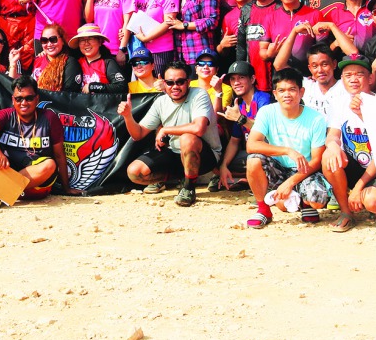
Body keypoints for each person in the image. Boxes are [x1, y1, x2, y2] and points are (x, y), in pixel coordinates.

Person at [0, 77, 79, 213]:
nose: (24, 102)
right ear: (13, 100)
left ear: (37, 99)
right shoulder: (6, 114)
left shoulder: (49, 118)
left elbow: (59, 155)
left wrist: (66, 187)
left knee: (50, 165)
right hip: (7, 171)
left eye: (29, 98)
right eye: (19, 99)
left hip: (33, 184)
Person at [120, 62, 222, 205]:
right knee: (134, 172)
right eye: (170, 82)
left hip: (205, 157)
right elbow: (138, 134)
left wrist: (165, 130)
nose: (175, 86)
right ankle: (178, 178)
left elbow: (199, 128)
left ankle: (188, 188)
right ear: (164, 83)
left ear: (188, 82)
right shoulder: (160, 101)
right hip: (174, 153)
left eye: (180, 82)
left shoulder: (199, 94)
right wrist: (127, 116)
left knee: (187, 138)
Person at [245, 68, 330, 228]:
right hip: (276, 169)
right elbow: (252, 145)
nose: (287, 94)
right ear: (275, 94)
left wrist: (290, 182)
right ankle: (263, 210)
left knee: (317, 202)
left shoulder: (316, 119)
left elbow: (317, 160)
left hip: (304, 171)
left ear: (301, 92)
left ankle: (303, 203)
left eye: (292, 89)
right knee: (253, 160)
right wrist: (287, 150)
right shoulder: (267, 112)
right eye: (282, 90)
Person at [321, 57, 376, 232]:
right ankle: (346, 212)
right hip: (353, 165)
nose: (353, 79)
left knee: (372, 202)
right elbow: (333, 135)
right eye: (348, 75)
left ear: (370, 78)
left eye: (359, 74)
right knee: (328, 156)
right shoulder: (339, 103)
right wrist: (332, 146)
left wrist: (363, 115)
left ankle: (373, 206)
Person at [218, 61, 272, 191]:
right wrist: (223, 166)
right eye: (233, 79)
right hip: (251, 153)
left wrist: (240, 118)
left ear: (252, 79)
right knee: (219, 162)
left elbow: (266, 132)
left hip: (271, 153)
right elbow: (234, 141)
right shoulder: (240, 105)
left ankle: (257, 179)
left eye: (241, 77)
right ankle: (250, 178)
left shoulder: (264, 99)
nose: (236, 82)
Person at [261, 0, 321, 76]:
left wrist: (316, 72)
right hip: (281, 77)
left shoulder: (315, 14)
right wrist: (269, 53)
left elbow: (322, 49)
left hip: (308, 77)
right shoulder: (269, 18)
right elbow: (262, 52)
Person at [229, 0, 279, 91]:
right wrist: (240, 75)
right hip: (253, 79)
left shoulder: (281, 8)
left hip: (277, 78)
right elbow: (241, 47)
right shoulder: (246, 10)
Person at [131, 0, 179, 73]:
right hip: (138, 49)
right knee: (142, 88)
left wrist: (147, 38)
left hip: (161, 50)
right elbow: (129, 19)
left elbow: (169, 22)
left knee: (159, 86)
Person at [69, 24, 127, 94]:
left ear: (99, 42)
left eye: (90, 38)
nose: (86, 43)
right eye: (82, 40)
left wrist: (93, 87)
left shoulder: (108, 63)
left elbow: (121, 86)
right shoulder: (75, 63)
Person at [32, 24, 82, 93]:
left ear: (62, 41)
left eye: (53, 39)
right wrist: (13, 64)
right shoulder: (37, 60)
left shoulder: (70, 63)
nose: (49, 44)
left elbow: (69, 96)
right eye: (44, 40)